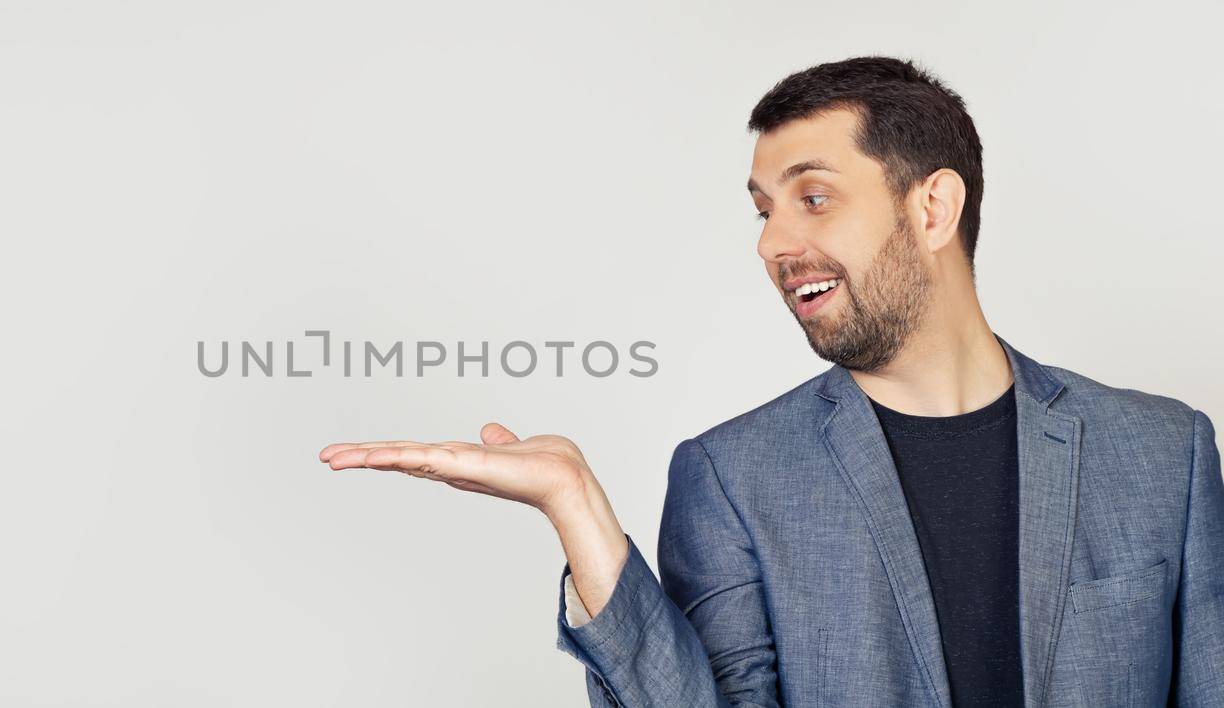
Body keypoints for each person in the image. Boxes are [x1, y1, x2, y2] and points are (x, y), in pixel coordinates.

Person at [316, 56, 1223, 707]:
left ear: (933, 206)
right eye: (762, 211)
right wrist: (578, 512)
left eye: (813, 196)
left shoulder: (1164, 451)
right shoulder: (732, 478)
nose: (773, 245)